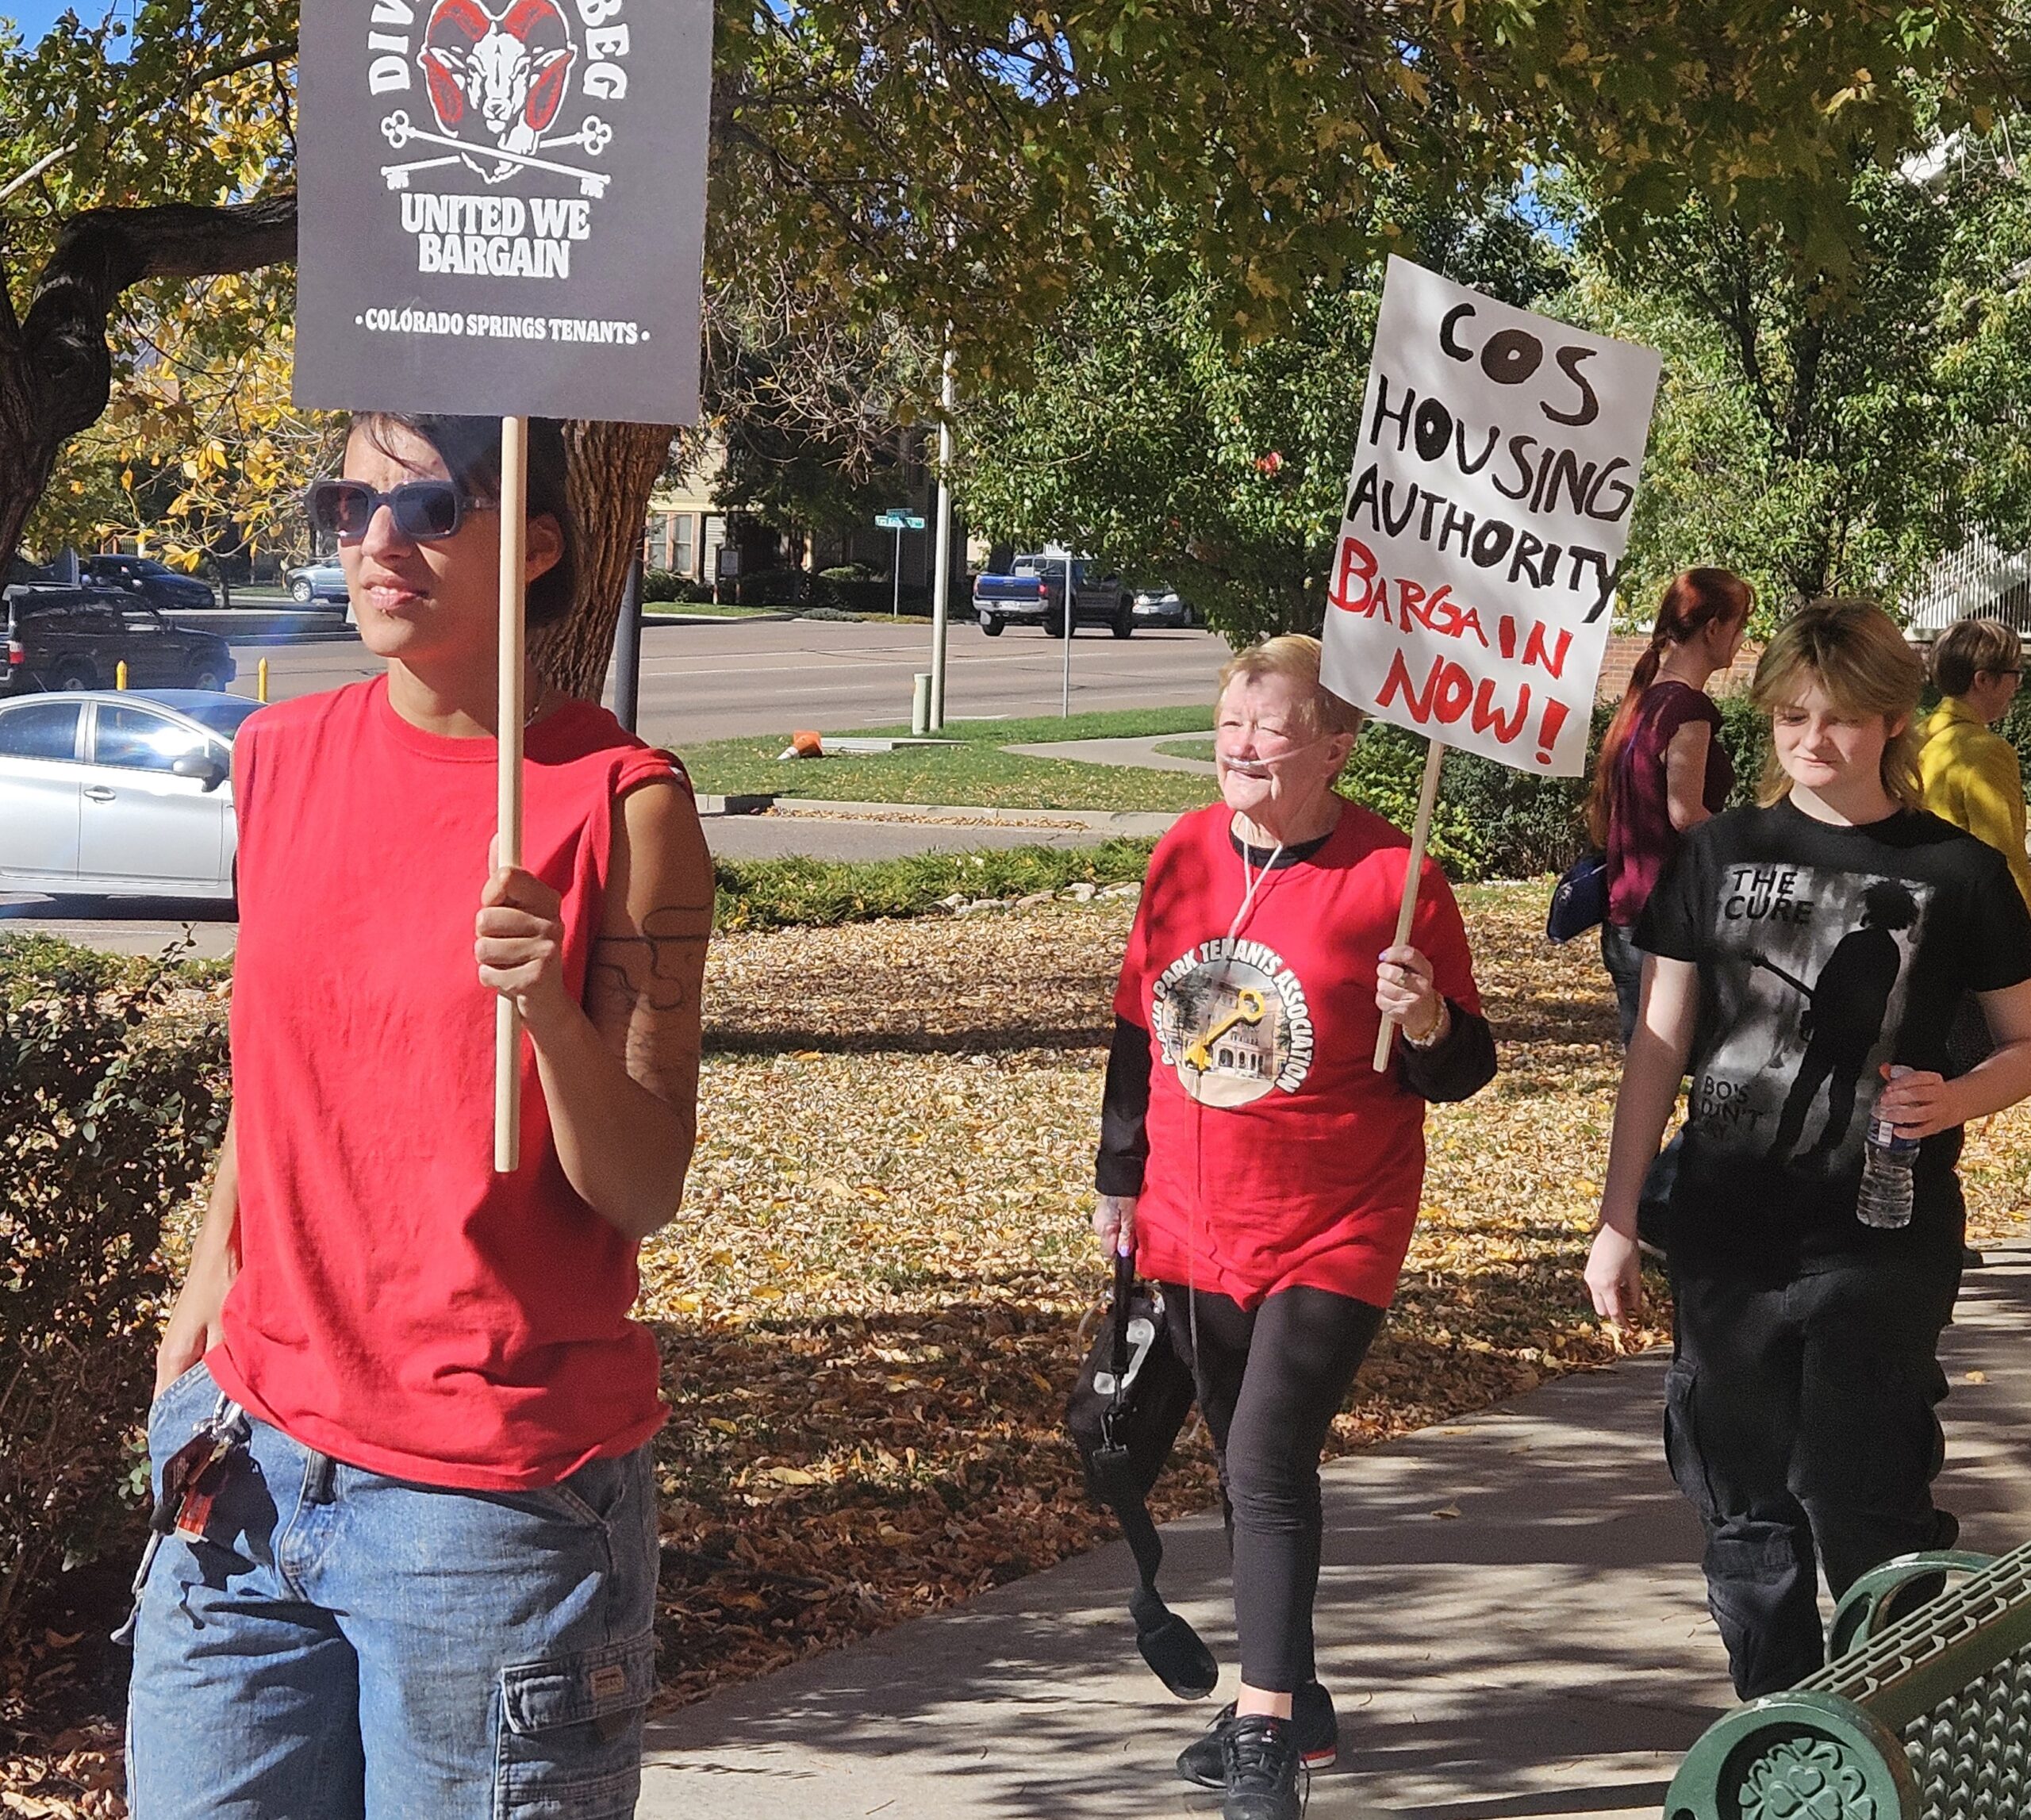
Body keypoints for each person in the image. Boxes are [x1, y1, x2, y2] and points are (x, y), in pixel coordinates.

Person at [126, 413, 714, 1818]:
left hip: (490, 1506)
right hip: (251, 1455)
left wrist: (550, 1015)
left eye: (433, 505)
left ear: (539, 545)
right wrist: (207, 1289)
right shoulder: (279, 755)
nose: (379, 542)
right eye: (351, 503)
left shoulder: (622, 807)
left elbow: (643, 1184)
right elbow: (284, 1062)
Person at [1584, 598, 2031, 1701]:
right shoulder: (1719, 854)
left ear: (1888, 722)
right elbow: (1658, 1047)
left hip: (1878, 1236)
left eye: (1836, 719)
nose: (1811, 741)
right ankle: (1780, 1724)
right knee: (1741, 1500)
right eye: (1790, 716)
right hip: (1728, 1235)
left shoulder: (1959, 872)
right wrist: (1618, 1215)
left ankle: (1890, 1714)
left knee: (1862, 1490)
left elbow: (2028, 1043)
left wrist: (1958, 1096)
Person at [1094, 635, 1497, 1820]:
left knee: (1266, 1453)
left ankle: (1263, 1732)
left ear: (1335, 746)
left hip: (1338, 1221)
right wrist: (1119, 1175)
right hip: (1191, 1215)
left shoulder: (1394, 874)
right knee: (1240, 1457)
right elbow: (1136, 1030)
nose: (1241, 746)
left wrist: (1425, 1016)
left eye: (1268, 728)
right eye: (1229, 724)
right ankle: (1299, 1689)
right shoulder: (1180, 851)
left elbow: (1462, 1068)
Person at [1589, 569, 1754, 1045]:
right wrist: (1750, 838)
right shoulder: (1689, 711)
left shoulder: (1645, 700)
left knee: (1643, 1069)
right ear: (1714, 628)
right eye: (1740, 625)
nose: (1742, 639)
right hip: (1669, 924)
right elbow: (1686, 815)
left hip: (1624, 915)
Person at [1919, 616, 2031, 909]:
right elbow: (2004, 859)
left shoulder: (1916, 738)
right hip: (1972, 922)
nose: (2017, 686)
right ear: (1983, 680)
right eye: (2015, 675)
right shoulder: (1985, 752)